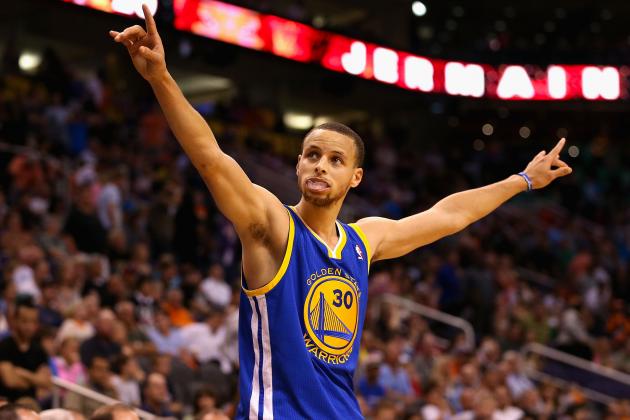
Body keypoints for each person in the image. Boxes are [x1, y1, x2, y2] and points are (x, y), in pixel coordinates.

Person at [110, 6, 572, 418]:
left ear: (356, 178)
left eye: (335, 160)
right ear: (297, 163)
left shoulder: (364, 240)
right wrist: (161, 79)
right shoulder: (271, 225)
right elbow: (211, 159)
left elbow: (450, 215)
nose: (320, 166)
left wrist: (523, 180)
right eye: (311, 154)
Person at [0, 299, 51, 402]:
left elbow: (47, 383)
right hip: (6, 403)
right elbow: (10, 381)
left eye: (34, 322)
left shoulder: (39, 350)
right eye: (25, 321)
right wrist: (35, 380)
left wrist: (22, 373)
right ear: (15, 321)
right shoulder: (4, 346)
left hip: (30, 403)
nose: (29, 327)